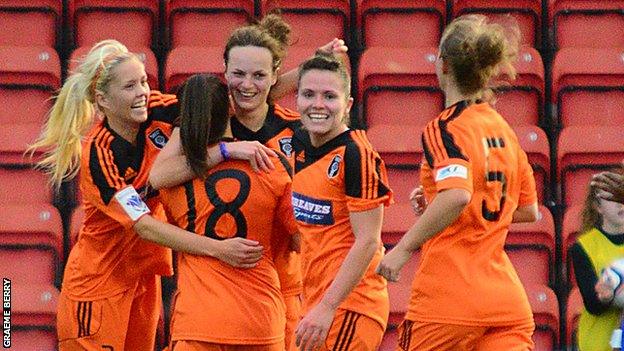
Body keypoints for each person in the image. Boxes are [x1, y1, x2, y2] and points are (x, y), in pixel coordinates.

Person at [26, 40, 271, 350]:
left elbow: (231, 102)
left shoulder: (152, 107)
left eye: (144, 81)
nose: (142, 91)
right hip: (99, 287)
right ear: (103, 99)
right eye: (130, 86)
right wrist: (217, 249)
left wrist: (294, 74)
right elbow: (143, 225)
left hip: (144, 280)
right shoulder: (98, 154)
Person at [149, 14, 347, 351]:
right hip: (214, 297)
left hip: (283, 289)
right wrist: (227, 149)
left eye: (259, 75)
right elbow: (159, 176)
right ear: (224, 72)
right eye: (238, 74)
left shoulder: (295, 131)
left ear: (275, 76)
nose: (247, 84)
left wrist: (308, 70)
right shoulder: (208, 122)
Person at [376, 15, 539, 351]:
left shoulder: (445, 128)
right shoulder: (503, 129)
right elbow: (527, 210)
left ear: (444, 66)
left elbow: (457, 196)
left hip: (449, 300)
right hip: (506, 303)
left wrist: (402, 249)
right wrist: (438, 206)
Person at [158, 73, 297, 351]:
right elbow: (299, 239)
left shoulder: (173, 179)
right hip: (260, 319)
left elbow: (158, 207)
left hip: (199, 321)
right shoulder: (272, 165)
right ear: (231, 107)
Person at [289, 52, 391, 351]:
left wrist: (327, 307)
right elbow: (257, 95)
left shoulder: (357, 154)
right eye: (308, 94)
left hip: (350, 306)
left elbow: (368, 241)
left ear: (347, 105)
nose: (318, 105)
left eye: (329, 96)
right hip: (317, 304)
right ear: (296, 100)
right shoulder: (298, 144)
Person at [571, 184, 624, 351]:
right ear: (598, 207)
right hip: (598, 342)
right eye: (612, 198)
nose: (620, 203)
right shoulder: (583, 247)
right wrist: (606, 296)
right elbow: (593, 305)